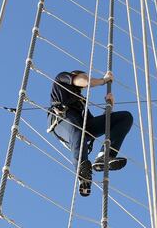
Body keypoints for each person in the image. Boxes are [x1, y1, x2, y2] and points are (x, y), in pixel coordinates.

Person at [48, 69, 133, 197]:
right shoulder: (62, 78)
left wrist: (109, 105)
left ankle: (105, 156)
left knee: (125, 117)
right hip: (61, 121)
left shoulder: (81, 103)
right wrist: (104, 80)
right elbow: (85, 81)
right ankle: (83, 173)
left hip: (81, 126)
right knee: (77, 129)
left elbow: (98, 126)